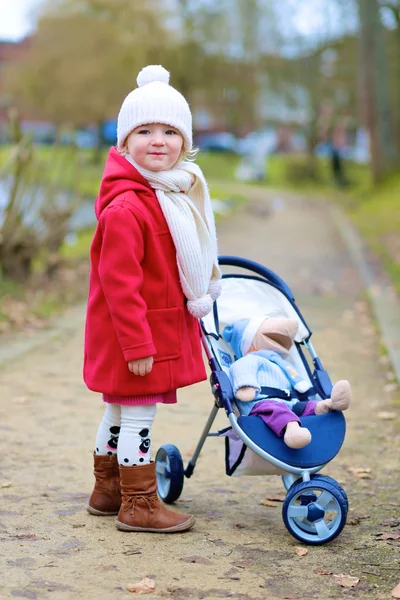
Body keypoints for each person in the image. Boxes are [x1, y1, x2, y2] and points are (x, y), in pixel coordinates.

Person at [84, 65, 221, 533]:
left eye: (169, 131)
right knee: (137, 415)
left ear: (185, 140)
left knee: (117, 410)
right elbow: (118, 284)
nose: (157, 140)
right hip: (133, 335)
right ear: (124, 143)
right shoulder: (127, 207)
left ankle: (107, 491)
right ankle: (138, 504)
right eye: (144, 131)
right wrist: (138, 345)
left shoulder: (167, 194)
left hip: (141, 329)